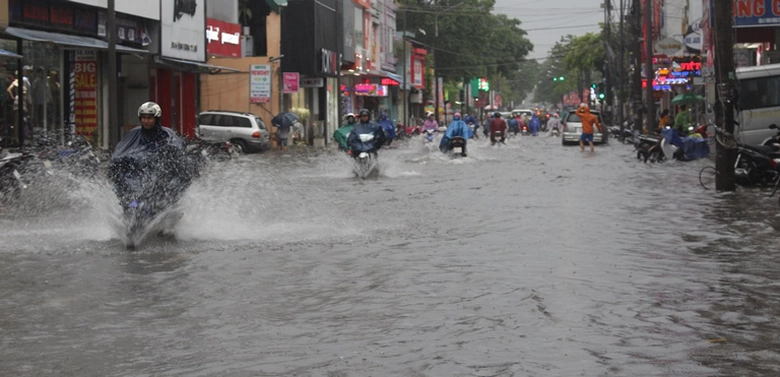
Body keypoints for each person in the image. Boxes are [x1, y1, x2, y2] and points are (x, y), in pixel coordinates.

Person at [109, 101, 197, 209]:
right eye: (143, 117)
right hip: (136, 179)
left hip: (160, 179)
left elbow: (177, 153)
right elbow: (120, 153)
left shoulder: (167, 135)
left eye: (149, 118)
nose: (146, 121)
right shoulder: (133, 134)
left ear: (157, 118)